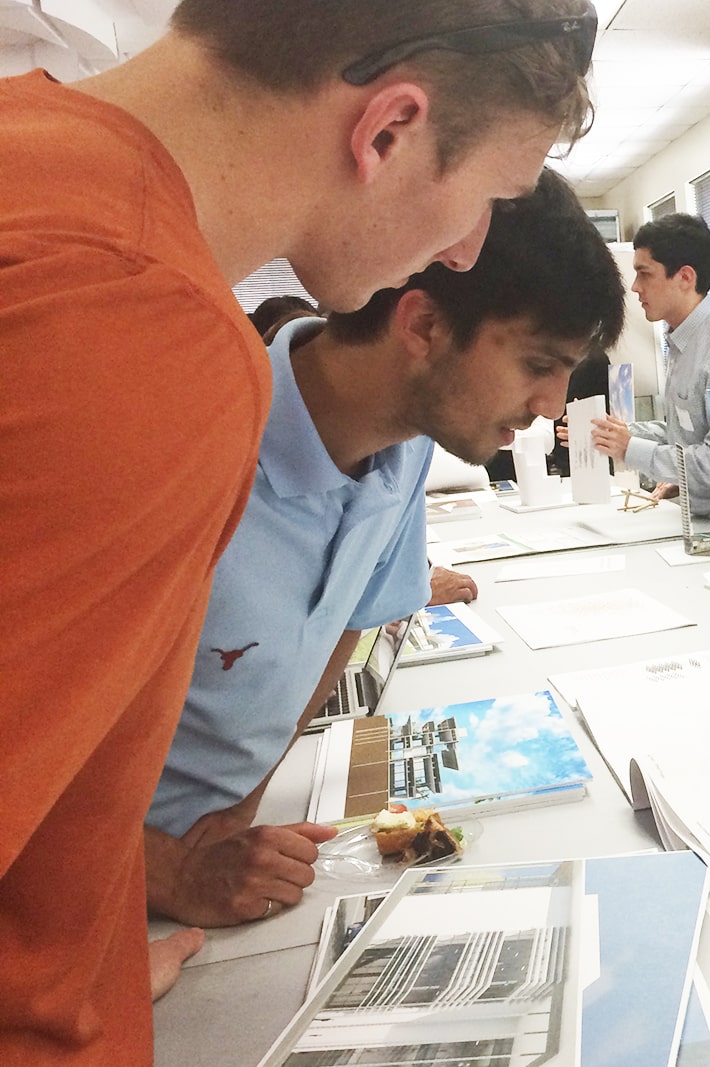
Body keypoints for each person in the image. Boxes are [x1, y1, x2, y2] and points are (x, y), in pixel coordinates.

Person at [0, 1, 596, 1059]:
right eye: (486, 201)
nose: (462, 254)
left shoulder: (31, 159)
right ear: (389, 130)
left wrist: (83, 923)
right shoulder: (145, 325)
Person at [145, 175, 624, 930]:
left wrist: (239, 803)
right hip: (80, 892)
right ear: (424, 325)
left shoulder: (399, 454)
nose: (554, 406)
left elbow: (350, 621)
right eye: (538, 364)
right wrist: (168, 867)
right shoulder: (183, 447)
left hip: (209, 872)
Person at [588, 212, 710, 542]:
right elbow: (683, 432)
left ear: (684, 277)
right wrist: (619, 434)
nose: (635, 287)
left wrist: (631, 449)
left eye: (644, 274)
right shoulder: (683, 342)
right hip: (709, 517)